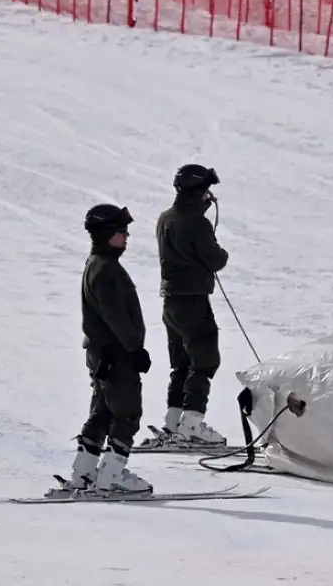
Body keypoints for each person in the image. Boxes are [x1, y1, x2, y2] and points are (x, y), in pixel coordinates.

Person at [63, 204, 152, 495]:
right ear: (105, 233)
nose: (127, 236)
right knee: (127, 413)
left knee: (102, 410)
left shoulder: (97, 263)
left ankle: (83, 473)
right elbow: (114, 314)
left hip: (103, 353)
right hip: (115, 353)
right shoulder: (107, 269)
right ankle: (112, 475)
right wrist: (134, 348)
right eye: (121, 231)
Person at [156, 163, 229, 448]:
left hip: (170, 301)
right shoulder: (196, 222)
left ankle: (173, 422)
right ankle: (193, 425)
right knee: (204, 361)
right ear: (199, 190)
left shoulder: (166, 218)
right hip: (193, 300)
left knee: (181, 363)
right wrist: (220, 251)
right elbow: (215, 259)